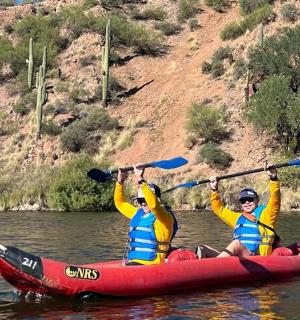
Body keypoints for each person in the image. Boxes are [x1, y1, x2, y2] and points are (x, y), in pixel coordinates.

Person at [198, 161, 281, 258]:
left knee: (236, 244)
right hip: (239, 258)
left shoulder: (267, 214)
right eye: (243, 201)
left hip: (256, 259)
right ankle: (199, 269)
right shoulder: (237, 218)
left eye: (250, 199)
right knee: (202, 248)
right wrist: (214, 189)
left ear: (257, 200)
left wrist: (273, 178)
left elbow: (275, 200)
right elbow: (218, 209)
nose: (246, 203)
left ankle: (212, 267)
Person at [114, 165, 178, 266]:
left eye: (145, 200)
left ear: (157, 200)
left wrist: (140, 179)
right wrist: (120, 182)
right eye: (140, 200)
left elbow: (153, 205)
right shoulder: (138, 214)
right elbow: (120, 203)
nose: (143, 203)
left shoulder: (164, 216)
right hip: (133, 263)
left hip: (152, 264)